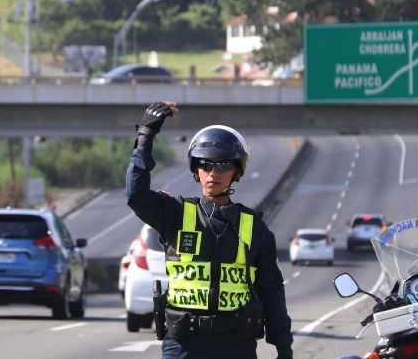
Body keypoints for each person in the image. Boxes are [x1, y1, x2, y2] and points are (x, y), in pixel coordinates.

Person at [126, 101, 293, 359]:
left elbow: (271, 291)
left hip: (236, 344)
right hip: (183, 344)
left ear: (237, 170)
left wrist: (284, 348)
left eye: (223, 165)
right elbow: (135, 195)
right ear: (196, 169)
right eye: (205, 164)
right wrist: (146, 135)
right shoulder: (175, 214)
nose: (213, 173)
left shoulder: (254, 227)